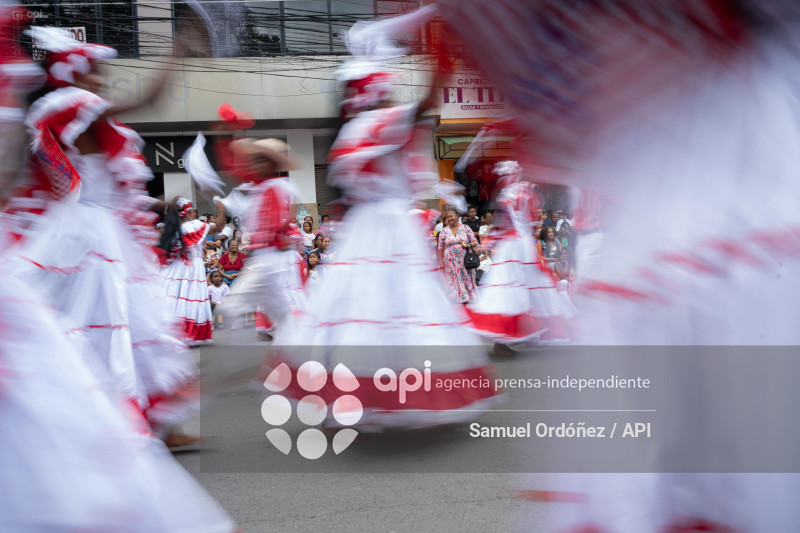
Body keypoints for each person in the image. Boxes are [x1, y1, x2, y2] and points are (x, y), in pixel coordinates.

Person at [267, 52, 502, 431]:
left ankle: (356, 396)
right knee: (402, 309)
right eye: (386, 88)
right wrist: (442, 61)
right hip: (390, 228)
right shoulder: (380, 121)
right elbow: (425, 104)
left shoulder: (350, 131)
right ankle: (395, 395)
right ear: (374, 92)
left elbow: (348, 195)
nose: (392, 94)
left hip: (362, 232)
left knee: (360, 311)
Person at [466, 161, 576, 347]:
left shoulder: (507, 194)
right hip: (521, 244)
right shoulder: (524, 191)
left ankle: (516, 336)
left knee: (511, 288)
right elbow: (529, 220)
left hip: (512, 246)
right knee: (524, 287)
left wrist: (494, 239)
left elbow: (506, 224)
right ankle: (522, 334)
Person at [161, 198, 226, 345]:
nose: (194, 214)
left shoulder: (172, 228)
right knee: (190, 299)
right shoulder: (191, 226)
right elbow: (218, 225)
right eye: (192, 211)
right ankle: (187, 334)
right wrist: (221, 207)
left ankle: (175, 333)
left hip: (176, 270)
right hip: (192, 269)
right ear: (187, 213)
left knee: (178, 300)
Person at [438, 206, 480, 304]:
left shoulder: (465, 228)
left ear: (457, 216)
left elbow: (475, 242)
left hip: (465, 261)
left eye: (451, 216)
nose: (449, 218)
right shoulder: (444, 231)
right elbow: (440, 248)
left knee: (466, 278)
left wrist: (468, 245)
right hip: (450, 263)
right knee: (454, 280)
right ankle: (459, 299)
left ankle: (468, 298)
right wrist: (441, 263)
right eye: (447, 217)